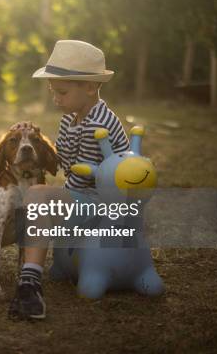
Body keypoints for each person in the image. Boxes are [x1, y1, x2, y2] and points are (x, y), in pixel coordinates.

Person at [8, 40, 129, 320]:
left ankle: (30, 281)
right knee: (39, 194)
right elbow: (56, 164)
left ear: (89, 87)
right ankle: (34, 276)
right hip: (81, 200)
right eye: (53, 91)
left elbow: (96, 178)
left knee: (38, 195)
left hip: (106, 208)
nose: (56, 98)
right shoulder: (71, 119)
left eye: (61, 91)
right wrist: (30, 136)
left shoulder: (100, 124)